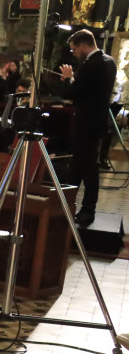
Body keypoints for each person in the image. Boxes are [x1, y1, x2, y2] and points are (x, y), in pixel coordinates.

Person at [60, 29, 116, 226]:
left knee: (89, 168)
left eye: (75, 49)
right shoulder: (109, 61)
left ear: (84, 46)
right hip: (98, 122)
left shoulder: (91, 65)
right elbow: (89, 90)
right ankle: (67, 205)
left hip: (87, 124)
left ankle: (87, 210)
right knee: (76, 166)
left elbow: (73, 93)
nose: (74, 53)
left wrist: (68, 77)